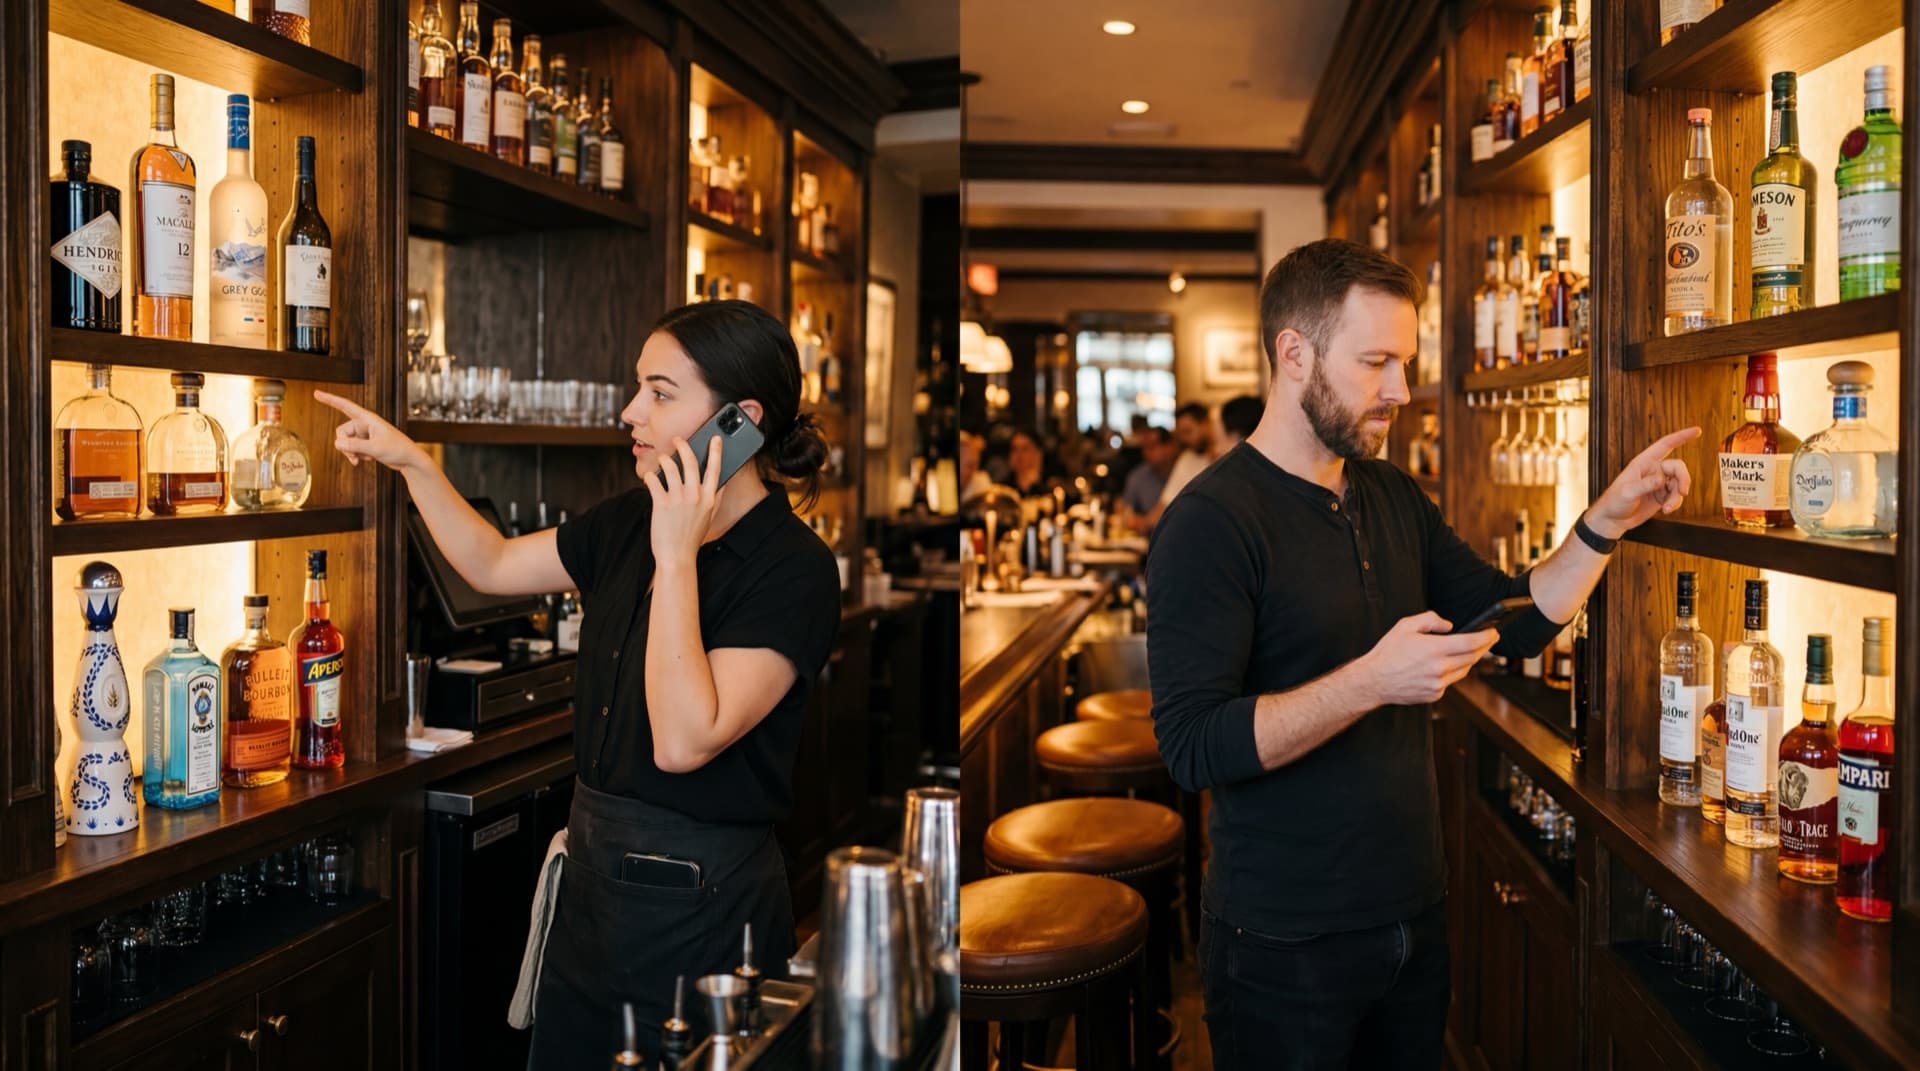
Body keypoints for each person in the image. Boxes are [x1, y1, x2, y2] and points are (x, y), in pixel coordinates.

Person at [1146, 239, 1696, 1070]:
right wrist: (1370, 680)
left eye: (1404, 362)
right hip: (1282, 940)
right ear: (1293, 353)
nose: (1401, 391)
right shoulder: (1210, 522)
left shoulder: (1392, 493)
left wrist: (1604, 523)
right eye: (1377, 363)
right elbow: (1191, 747)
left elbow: (1510, 618)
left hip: (1413, 912)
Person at [316, 300, 841, 1067]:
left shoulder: (793, 569)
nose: (631, 412)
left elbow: (685, 737)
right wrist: (414, 464)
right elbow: (492, 563)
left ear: (741, 420)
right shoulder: (630, 519)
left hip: (705, 907)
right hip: (591, 891)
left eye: (660, 393)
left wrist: (679, 556)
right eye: (638, 388)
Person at [1140, 402, 1214, 530]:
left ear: (1206, 424)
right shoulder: (1187, 458)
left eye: (1188, 431)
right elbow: (1165, 506)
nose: (1185, 439)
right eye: (1181, 434)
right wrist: (1141, 523)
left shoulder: (1226, 457)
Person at [1121, 425, 1177, 517]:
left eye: (1152, 446)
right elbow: (1125, 508)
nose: (1146, 452)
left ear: (1169, 446)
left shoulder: (1184, 470)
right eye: (1144, 447)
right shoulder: (1138, 476)